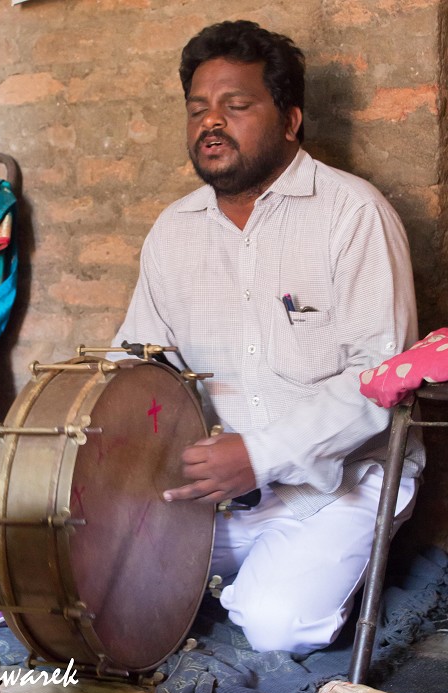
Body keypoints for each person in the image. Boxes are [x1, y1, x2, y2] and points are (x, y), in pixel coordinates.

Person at [111, 20, 424, 655]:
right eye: (197, 108)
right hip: (214, 490)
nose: (210, 122)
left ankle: (310, 572)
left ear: (290, 121)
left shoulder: (353, 214)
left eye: (236, 105)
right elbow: (140, 361)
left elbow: (382, 380)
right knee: (81, 571)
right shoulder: (173, 230)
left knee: (273, 624)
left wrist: (260, 452)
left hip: (338, 483)